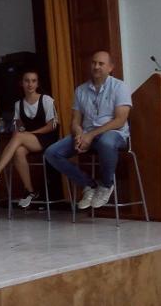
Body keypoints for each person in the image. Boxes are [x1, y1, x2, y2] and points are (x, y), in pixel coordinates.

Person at [45, 51, 131, 210]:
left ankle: (106, 185)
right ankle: (89, 185)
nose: (96, 66)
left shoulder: (120, 87)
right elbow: (75, 121)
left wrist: (90, 135)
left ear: (111, 67)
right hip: (87, 135)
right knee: (51, 153)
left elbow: (120, 120)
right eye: (93, 63)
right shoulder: (80, 90)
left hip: (114, 134)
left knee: (106, 142)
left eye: (101, 63)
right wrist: (79, 134)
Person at [0, 70, 59, 208]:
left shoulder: (46, 100)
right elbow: (18, 126)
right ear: (21, 83)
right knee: (18, 151)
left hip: (46, 139)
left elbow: (52, 125)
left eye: (33, 81)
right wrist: (21, 130)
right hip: (28, 139)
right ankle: (30, 190)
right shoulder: (19, 104)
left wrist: (30, 133)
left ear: (37, 83)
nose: (30, 84)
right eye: (27, 81)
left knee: (19, 137)